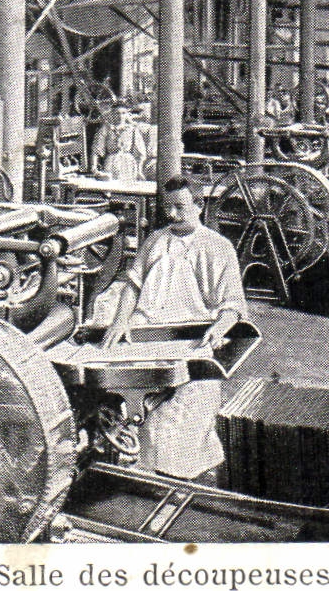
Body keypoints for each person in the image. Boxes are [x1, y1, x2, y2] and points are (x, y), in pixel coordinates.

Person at [103, 174, 247, 483]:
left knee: (185, 416)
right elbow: (133, 284)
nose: (172, 215)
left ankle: (178, 480)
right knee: (141, 410)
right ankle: (146, 474)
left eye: (179, 207)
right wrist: (120, 320)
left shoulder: (218, 247)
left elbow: (234, 305)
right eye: (168, 207)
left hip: (192, 338)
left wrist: (219, 328)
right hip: (148, 332)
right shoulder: (156, 240)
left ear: (199, 205)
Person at [91, 101, 155, 181]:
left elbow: (140, 153)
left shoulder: (132, 130)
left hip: (128, 163)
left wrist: (139, 171)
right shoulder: (106, 129)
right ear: (112, 114)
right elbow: (96, 149)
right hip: (111, 162)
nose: (120, 116)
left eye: (123, 113)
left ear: (127, 114)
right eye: (117, 113)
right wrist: (94, 168)